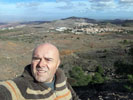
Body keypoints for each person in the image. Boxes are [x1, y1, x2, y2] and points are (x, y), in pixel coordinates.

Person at [0, 43, 79, 100]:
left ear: (57, 64)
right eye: (36, 59)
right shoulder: (21, 87)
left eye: (48, 60)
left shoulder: (62, 80)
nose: (41, 64)